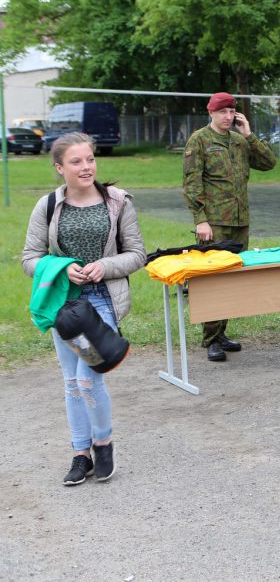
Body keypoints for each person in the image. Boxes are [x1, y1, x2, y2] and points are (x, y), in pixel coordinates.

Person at [22, 132, 146, 485]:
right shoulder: (47, 206)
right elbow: (29, 259)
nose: (86, 167)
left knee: (87, 380)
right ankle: (81, 455)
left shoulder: (118, 202)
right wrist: (62, 268)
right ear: (59, 167)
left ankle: (103, 443)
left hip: (102, 303)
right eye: (76, 161)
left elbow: (137, 254)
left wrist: (104, 266)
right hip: (65, 306)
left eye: (90, 159)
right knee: (71, 383)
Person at [182, 91, 277, 362]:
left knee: (232, 278)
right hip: (214, 223)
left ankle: (221, 332)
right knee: (213, 280)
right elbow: (192, 182)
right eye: (222, 112)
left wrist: (249, 135)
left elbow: (269, 163)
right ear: (210, 113)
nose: (227, 117)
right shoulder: (199, 140)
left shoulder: (238, 142)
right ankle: (210, 338)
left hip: (239, 221)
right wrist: (200, 219)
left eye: (231, 111)